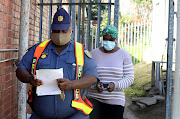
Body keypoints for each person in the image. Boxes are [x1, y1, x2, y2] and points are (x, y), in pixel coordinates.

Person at [16, 8, 99, 119]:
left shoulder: (81, 52)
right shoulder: (38, 49)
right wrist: (30, 79)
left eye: (64, 31)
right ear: (51, 31)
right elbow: (20, 69)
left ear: (71, 31)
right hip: (40, 115)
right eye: (56, 31)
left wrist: (71, 84)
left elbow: (92, 77)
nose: (60, 34)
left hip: (74, 115)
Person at [88, 25, 134, 119]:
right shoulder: (93, 53)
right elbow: (86, 76)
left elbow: (129, 78)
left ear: (115, 39)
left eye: (111, 39)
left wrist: (115, 84)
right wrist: (95, 85)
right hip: (94, 99)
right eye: (105, 39)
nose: (108, 42)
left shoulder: (124, 55)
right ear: (102, 38)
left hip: (116, 102)